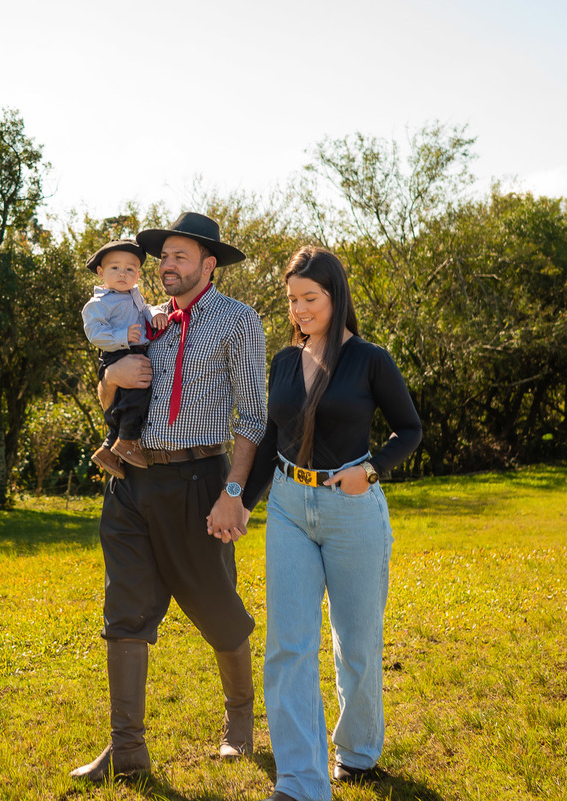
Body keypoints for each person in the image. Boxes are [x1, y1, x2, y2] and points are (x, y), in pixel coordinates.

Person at [70, 212, 267, 781]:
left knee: (215, 604)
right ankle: (127, 750)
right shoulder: (142, 318)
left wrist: (234, 492)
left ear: (209, 264)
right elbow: (109, 394)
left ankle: (239, 723)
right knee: (125, 610)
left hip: (197, 481)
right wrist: (112, 379)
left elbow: (254, 418)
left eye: (181, 256)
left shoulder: (238, 320)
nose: (167, 266)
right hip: (130, 481)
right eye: (164, 257)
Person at [236, 246, 422, 801]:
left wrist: (372, 469)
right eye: (292, 299)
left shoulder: (370, 360)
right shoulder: (284, 362)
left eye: (310, 298)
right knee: (287, 646)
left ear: (335, 296)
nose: (299, 310)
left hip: (351, 511)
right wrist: (241, 501)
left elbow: (409, 429)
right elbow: (273, 436)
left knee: (356, 644)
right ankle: (301, 781)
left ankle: (358, 753)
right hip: (289, 507)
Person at [81, 239, 169, 479]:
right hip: (116, 352)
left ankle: (108, 449)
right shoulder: (99, 303)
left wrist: (156, 313)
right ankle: (128, 442)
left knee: (124, 400)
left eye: (130, 269)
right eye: (115, 267)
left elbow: (145, 310)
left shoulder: (134, 295)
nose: (123, 273)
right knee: (137, 394)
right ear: (101, 272)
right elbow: (94, 333)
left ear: (138, 275)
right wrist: (122, 336)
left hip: (133, 350)